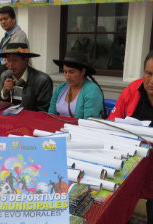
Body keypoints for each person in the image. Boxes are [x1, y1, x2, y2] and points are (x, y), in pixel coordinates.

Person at [107, 51, 153, 224]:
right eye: (149, 74)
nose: (152, 81)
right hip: (129, 157)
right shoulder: (132, 90)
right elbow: (112, 122)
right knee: (119, 202)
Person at [0, 42, 53, 112]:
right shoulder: (5, 75)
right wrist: (4, 93)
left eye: (15, 60)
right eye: (8, 60)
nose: (11, 64)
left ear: (26, 60)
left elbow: (43, 111)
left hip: (30, 120)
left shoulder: (42, 80)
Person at [48, 50, 105, 119]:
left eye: (71, 72)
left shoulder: (92, 91)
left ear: (83, 72)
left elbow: (89, 122)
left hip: (79, 129)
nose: (67, 77)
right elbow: (51, 115)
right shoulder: (60, 88)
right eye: (65, 72)